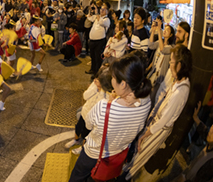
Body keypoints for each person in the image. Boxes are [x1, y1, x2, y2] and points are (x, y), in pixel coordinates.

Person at [69, 54, 152, 182]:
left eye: (113, 77)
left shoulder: (103, 107)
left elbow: (88, 125)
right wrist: (118, 99)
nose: (111, 81)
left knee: (77, 177)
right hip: (117, 154)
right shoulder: (146, 101)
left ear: (123, 84)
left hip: (93, 154)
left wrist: (112, 102)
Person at [125, 45, 192, 180]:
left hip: (159, 129)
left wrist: (145, 135)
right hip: (156, 123)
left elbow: (164, 120)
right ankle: (127, 171)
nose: (170, 66)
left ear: (179, 65)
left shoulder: (181, 91)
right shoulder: (179, 82)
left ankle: (126, 177)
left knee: (141, 154)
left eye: (171, 62)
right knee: (138, 152)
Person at [65, 66, 112, 154]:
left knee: (87, 134)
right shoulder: (94, 85)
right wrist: (95, 89)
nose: (95, 80)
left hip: (93, 118)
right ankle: (76, 140)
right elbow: (85, 96)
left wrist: (101, 90)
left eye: (99, 79)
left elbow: (101, 105)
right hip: (85, 111)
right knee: (78, 127)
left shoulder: (108, 93)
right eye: (96, 77)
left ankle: (83, 147)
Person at [175, 101, 213, 182]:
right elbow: (205, 132)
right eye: (212, 127)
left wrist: (184, 180)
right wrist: (196, 118)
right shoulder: (211, 143)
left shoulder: (211, 163)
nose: (210, 131)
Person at [146, 19, 175, 88]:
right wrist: (153, 30)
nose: (164, 31)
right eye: (164, 29)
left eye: (167, 30)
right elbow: (150, 45)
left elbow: (163, 50)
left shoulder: (172, 47)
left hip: (161, 78)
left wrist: (159, 31)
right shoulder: (160, 42)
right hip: (153, 73)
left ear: (171, 35)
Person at [86, 3, 110, 75]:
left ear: (107, 11)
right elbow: (89, 17)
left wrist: (96, 13)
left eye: (103, 9)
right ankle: (92, 69)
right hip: (92, 40)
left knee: (97, 57)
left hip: (99, 41)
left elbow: (101, 22)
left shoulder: (107, 19)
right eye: (101, 9)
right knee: (92, 56)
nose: (101, 11)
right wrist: (90, 10)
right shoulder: (97, 16)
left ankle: (97, 73)